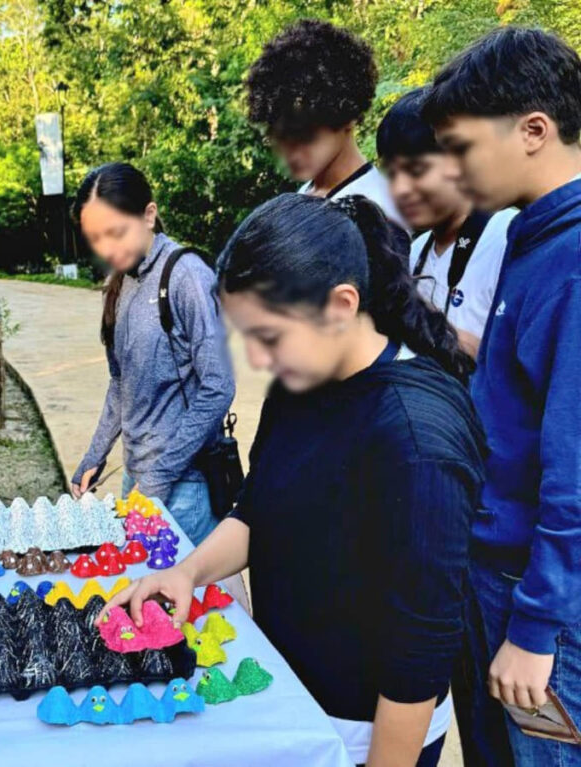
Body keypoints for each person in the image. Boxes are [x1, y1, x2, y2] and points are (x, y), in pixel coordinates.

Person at [101, 193, 486, 767]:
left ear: (340, 305)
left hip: (368, 736)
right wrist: (187, 572)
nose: (258, 359)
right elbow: (261, 509)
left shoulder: (414, 437)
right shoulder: (299, 384)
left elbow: (422, 646)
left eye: (269, 336)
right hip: (290, 699)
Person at [422, 26, 581, 766]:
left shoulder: (573, 258)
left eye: (460, 148)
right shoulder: (529, 236)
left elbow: (575, 468)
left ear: (533, 131)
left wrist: (537, 627)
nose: (450, 170)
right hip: (493, 571)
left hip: (540, 599)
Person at [69, 162, 235, 546]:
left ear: (149, 214)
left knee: (186, 603)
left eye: (116, 233)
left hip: (185, 489)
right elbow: (120, 382)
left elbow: (219, 386)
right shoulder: (123, 282)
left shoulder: (187, 276)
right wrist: (95, 456)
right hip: (139, 481)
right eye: (96, 239)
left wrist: (160, 476)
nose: (107, 249)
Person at [377, 87, 515, 359]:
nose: (401, 189)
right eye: (391, 175)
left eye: (416, 170)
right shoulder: (415, 252)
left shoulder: (508, 238)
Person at [246, 19, 409, 239]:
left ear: (347, 116)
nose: (292, 149)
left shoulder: (378, 210)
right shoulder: (307, 192)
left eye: (305, 134)